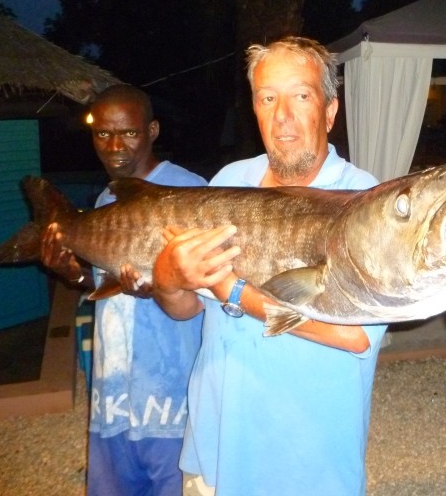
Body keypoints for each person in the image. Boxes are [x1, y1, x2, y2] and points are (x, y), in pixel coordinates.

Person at [148, 36, 387, 496]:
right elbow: (187, 308)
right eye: (267, 98)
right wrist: (168, 278)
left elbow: (353, 336)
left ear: (330, 111)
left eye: (301, 96)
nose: (283, 117)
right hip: (213, 457)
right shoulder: (228, 182)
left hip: (307, 470)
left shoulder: (363, 201)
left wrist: (237, 292)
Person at [40, 85, 207, 496]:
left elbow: (209, 295)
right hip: (112, 396)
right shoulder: (104, 200)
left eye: (128, 133)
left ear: (151, 130)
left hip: (172, 398)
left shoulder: (192, 191)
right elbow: (104, 284)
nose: (114, 145)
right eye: (103, 134)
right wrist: (73, 274)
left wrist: (161, 287)